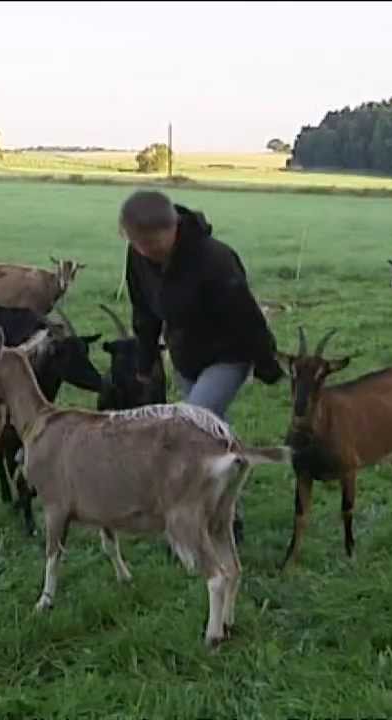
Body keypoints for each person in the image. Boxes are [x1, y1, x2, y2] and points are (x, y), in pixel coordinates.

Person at [119, 189, 284, 542]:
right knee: (213, 433)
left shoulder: (215, 259)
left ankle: (191, 523)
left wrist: (266, 362)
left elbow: (248, 318)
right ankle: (228, 516)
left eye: (152, 242)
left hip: (228, 354)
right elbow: (144, 312)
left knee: (189, 429)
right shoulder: (138, 257)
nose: (145, 250)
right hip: (185, 358)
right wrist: (146, 361)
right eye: (137, 243)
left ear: (173, 228)